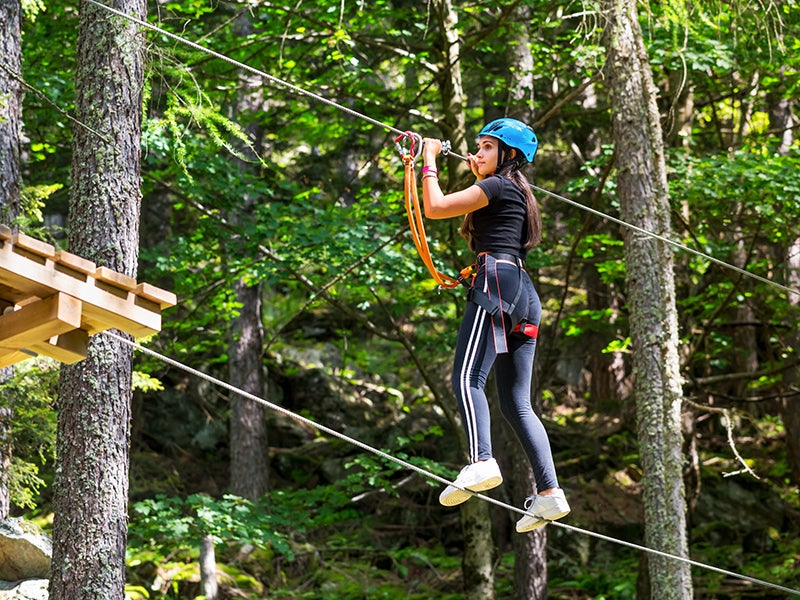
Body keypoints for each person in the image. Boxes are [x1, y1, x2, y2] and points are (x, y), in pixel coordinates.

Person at [421, 118, 570, 533]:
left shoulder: (499, 186)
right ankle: (549, 493)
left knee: (467, 378)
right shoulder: (515, 190)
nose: (477, 152)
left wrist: (429, 160)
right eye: (478, 146)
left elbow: (434, 208)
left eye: (487, 147)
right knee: (515, 403)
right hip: (523, 293)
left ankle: (481, 460)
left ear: (508, 156)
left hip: (496, 282)